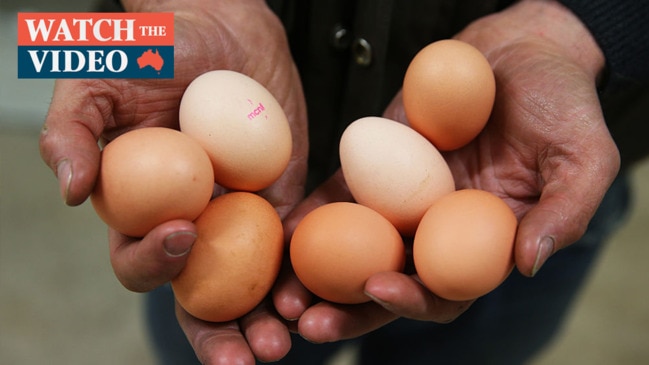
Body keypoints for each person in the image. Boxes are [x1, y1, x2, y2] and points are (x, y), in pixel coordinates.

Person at [39, 0, 649, 364]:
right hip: (214, 230)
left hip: (515, 179)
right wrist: (123, 33)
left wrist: (586, 27)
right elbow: (46, 34)